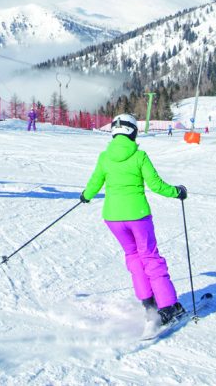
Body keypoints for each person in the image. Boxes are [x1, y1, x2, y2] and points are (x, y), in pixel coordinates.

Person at [80, 114, 188, 328]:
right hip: (137, 215)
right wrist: (177, 192)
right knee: (150, 257)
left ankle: (149, 304)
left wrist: (86, 195)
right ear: (133, 131)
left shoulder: (105, 157)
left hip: (112, 217)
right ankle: (167, 307)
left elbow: (95, 182)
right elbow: (156, 185)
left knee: (133, 256)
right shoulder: (140, 156)